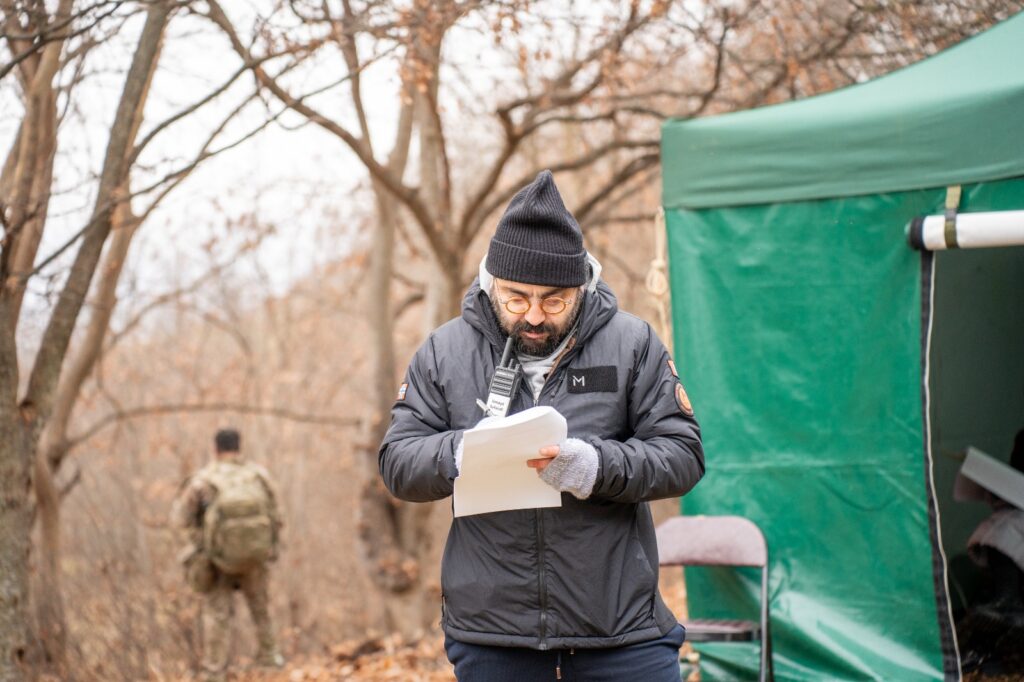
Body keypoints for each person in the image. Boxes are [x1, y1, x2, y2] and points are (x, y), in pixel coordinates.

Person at [379, 170, 705, 681]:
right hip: (492, 632)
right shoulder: (444, 352)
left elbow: (683, 454)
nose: (533, 316)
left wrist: (597, 467)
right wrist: (463, 452)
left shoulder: (633, 344)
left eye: (554, 301)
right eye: (516, 298)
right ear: (490, 283)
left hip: (620, 626)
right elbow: (397, 463)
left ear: (583, 286)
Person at [172, 428, 285, 682]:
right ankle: (272, 662)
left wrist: (201, 541)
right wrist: (268, 548)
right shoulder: (258, 476)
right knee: (261, 610)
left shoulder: (203, 480)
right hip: (255, 558)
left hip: (216, 561)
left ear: (215, 448)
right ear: (239, 446)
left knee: (217, 616)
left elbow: (180, 519)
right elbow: (278, 516)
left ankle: (215, 673)